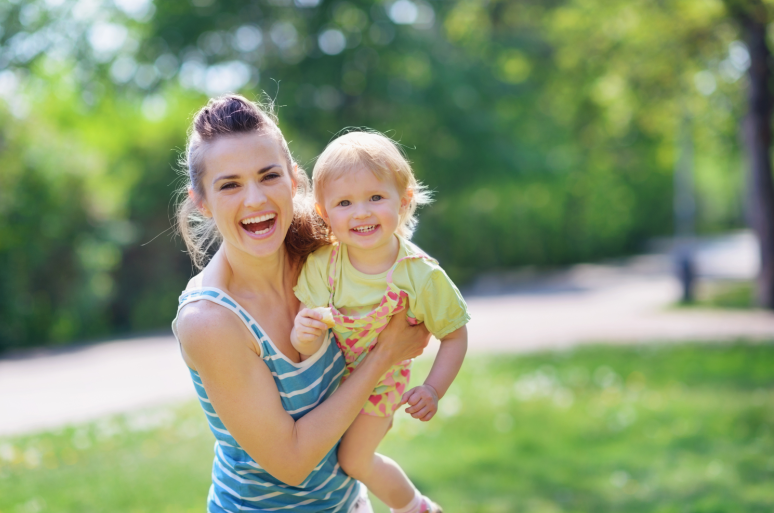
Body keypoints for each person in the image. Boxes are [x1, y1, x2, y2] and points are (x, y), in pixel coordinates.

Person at [172, 95, 430, 512]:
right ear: (202, 200)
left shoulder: (326, 258)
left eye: (268, 176)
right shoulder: (210, 320)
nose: (255, 199)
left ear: (293, 180)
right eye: (230, 184)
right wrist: (384, 355)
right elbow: (290, 463)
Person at [290, 131, 470, 513]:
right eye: (344, 202)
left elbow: (454, 336)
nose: (361, 212)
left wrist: (434, 389)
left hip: (381, 385)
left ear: (403, 201)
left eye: (375, 197)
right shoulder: (324, 265)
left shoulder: (420, 276)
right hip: (330, 381)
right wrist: (303, 335)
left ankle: (415, 507)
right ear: (324, 213)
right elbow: (307, 340)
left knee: (354, 460)